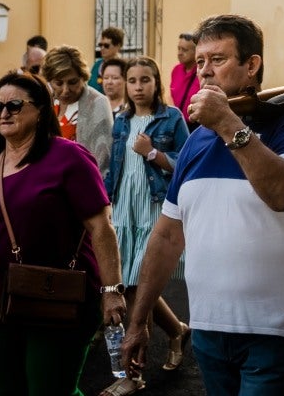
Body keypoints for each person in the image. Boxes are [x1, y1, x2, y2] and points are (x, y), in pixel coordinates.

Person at [122, 15, 284, 396]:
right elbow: (167, 236)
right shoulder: (198, 140)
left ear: (252, 65)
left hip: (277, 329)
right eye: (200, 62)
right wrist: (139, 322)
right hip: (209, 328)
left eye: (217, 60)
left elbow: (283, 194)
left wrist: (228, 123)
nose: (204, 72)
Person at [0, 72, 126, 396]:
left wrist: (112, 290)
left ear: (40, 110)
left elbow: (101, 227)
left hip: (57, 303)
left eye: (13, 105)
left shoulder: (68, 157)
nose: (3, 113)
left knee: (51, 391)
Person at [104, 56, 190, 379]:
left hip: (155, 209)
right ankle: (177, 330)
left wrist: (153, 153)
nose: (138, 87)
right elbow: (115, 167)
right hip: (125, 209)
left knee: (139, 284)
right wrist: (105, 202)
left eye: (145, 80)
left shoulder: (172, 118)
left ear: (157, 83)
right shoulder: (122, 121)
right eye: (132, 81)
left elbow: (185, 161)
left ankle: (136, 374)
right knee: (133, 286)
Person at [44, 45, 113, 168]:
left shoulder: (97, 103)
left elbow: (103, 160)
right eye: (59, 83)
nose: (65, 90)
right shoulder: (47, 102)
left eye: (73, 82)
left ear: (83, 78)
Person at [169, 32, 201, 126]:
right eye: (179, 49)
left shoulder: (201, 72)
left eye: (184, 50)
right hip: (179, 123)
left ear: (196, 52)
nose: (179, 53)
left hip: (196, 124)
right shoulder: (176, 70)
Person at [91, 26, 126, 91]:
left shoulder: (124, 67)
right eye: (100, 45)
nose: (102, 48)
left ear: (118, 46)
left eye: (106, 45)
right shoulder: (97, 65)